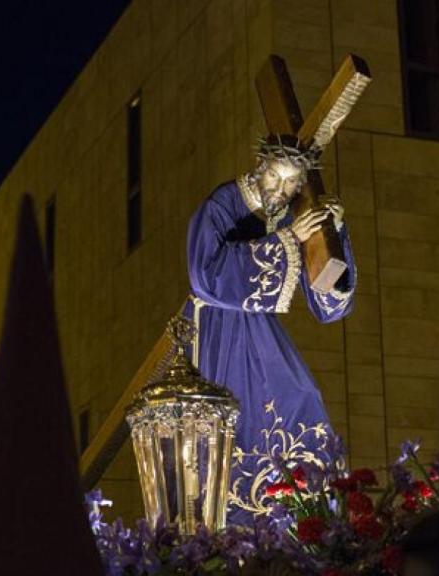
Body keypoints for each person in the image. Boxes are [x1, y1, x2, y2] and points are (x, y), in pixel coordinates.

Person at [183, 134, 356, 518]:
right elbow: (204, 274)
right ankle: (243, 520)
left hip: (257, 329)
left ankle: (303, 516)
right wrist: (288, 240)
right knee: (244, 420)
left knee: (302, 396)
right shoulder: (223, 203)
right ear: (260, 167)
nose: (281, 189)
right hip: (220, 327)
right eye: (275, 177)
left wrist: (334, 232)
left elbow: (329, 304)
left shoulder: (290, 213)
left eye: (292, 182)